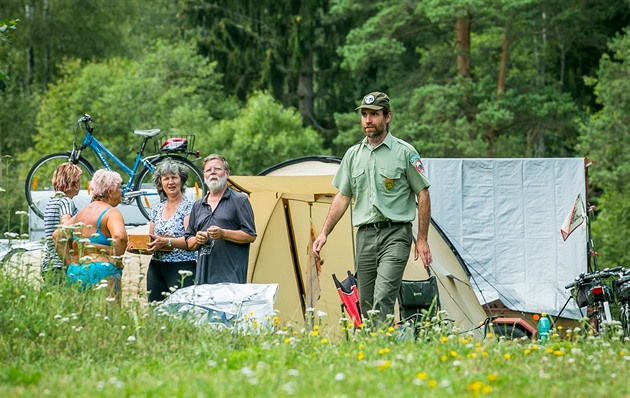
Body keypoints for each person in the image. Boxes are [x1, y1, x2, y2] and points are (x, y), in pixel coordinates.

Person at [312, 91, 432, 325]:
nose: (368, 120)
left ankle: (381, 352)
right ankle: (370, 350)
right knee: (365, 302)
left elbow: (423, 193)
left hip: (395, 234)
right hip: (365, 235)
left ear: (387, 117)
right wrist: (324, 233)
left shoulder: (405, 152)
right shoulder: (353, 155)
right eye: (364, 115)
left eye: (374, 115)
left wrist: (423, 238)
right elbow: (342, 197)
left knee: (383, 296)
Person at [128, 160, 197, 302]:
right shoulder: (156, 209)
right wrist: (137, 249)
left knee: (181, 312)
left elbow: (189, 241)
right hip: (156, 267)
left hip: (181, 267)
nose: (170, 182)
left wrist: (166, 241)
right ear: (160, 183)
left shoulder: (189, 207)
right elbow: (153, 242)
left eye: (174, 177)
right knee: (156, 311)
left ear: (182, 181)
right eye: (166, 178)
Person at [185, 154, 256, 284]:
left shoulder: (239, 200)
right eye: (208, 170)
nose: (212, 172)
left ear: (227, 173)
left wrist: (223, 233)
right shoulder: (197, 205)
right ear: (204, 175)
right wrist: (197, 239)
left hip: (231, 278)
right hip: (203, 279)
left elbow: (250, 235)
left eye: (217, 169)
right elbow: (189, 242)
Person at [60, 169, 128, 298]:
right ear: (110, 192)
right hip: (102, 270)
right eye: (120, 188)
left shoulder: (81, 213)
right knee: (109, 315)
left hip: (76, 271)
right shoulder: (111, 212)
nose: (121, 192)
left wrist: (68, 263)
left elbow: (57, 235)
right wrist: (116, 259)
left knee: (82, 316)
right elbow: (120, 237)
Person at [42, 163, 82, 284]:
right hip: (61, 265)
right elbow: (65, 227)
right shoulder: (66, 202)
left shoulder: (51, 202)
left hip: (48, 264)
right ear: (73, 183)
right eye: (79, 180)